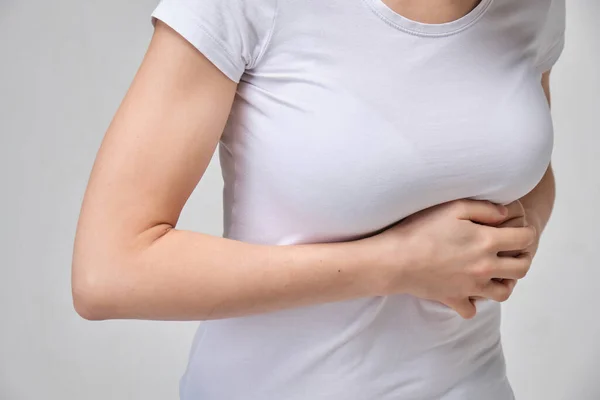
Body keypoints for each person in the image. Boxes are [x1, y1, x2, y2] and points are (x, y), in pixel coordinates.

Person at [71, 0, 565, 398]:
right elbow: (110, 271)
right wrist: (399, 263)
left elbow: (523, 163)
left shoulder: (533, 9)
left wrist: (518, 237)